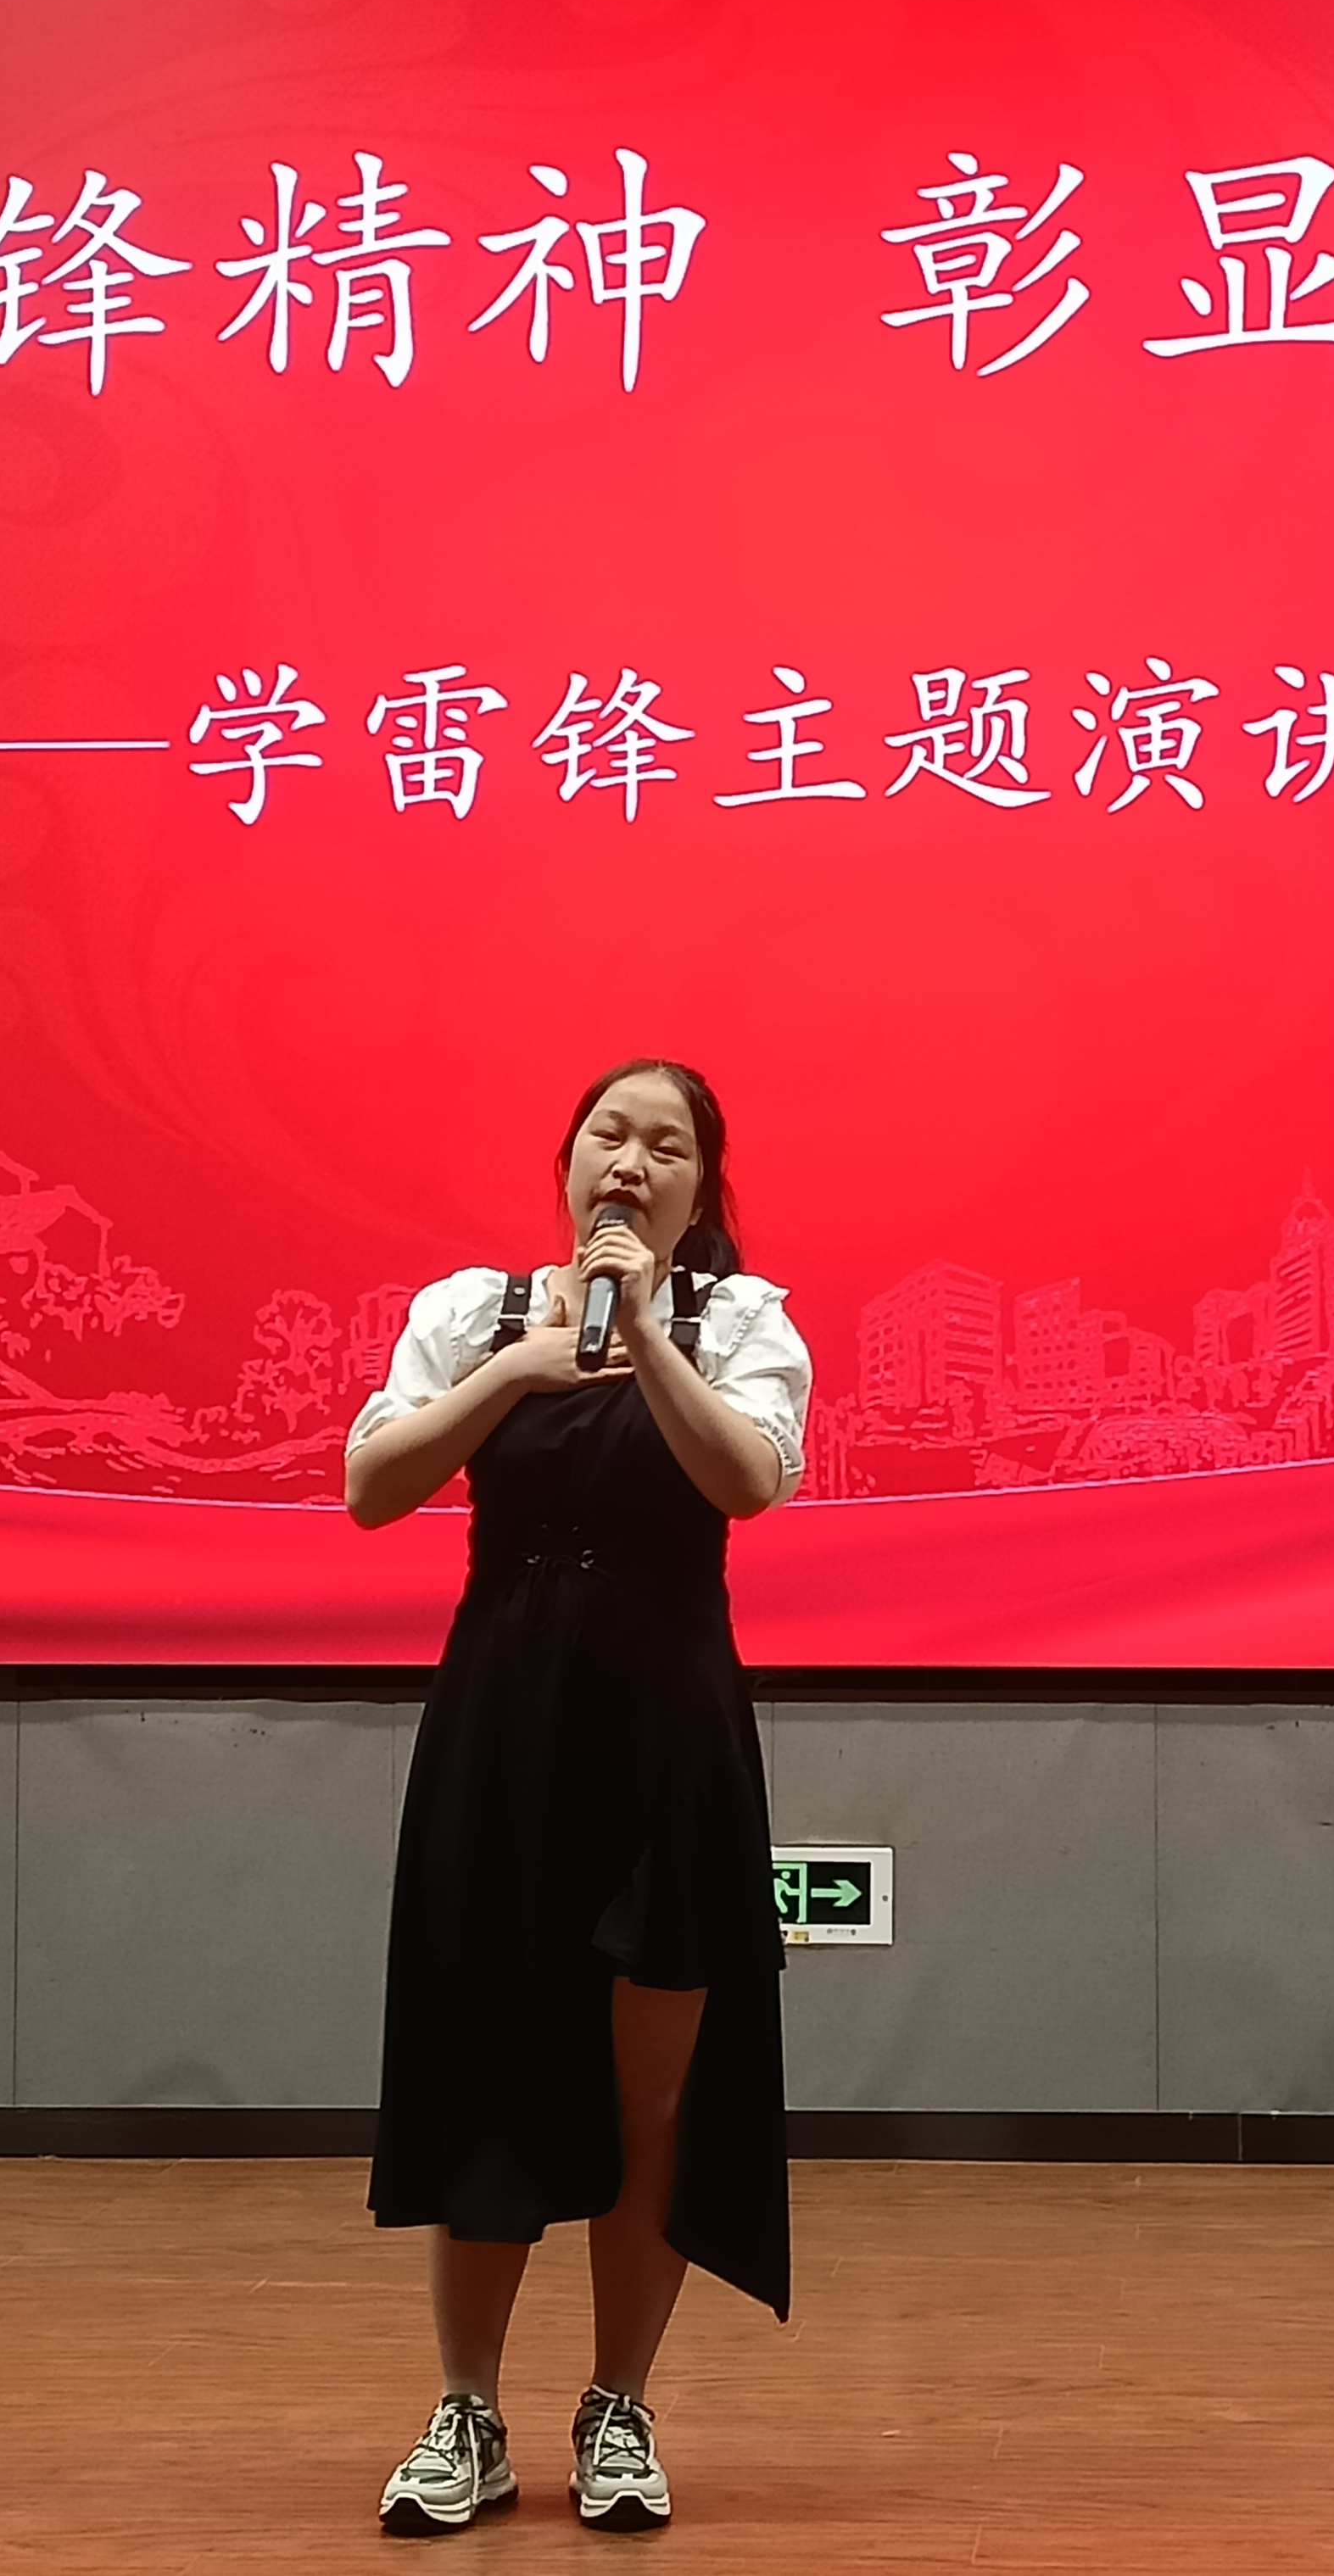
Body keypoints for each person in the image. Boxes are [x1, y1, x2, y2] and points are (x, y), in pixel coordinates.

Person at [342, 1057, 813, 2538]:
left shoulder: (742, 1324)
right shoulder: (469, 1313)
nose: (632, 1162)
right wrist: (517, 1372)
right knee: (485, 2059)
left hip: (668, 1735)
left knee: (652, 2093)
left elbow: (747, 1482)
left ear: (698, 1187)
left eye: (666, 1147)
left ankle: (620, 2407)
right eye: (611, 1135)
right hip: (505, 1725)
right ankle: (466, 2414)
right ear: (566, 1162)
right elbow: (370, 1487)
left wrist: (647, 1334)